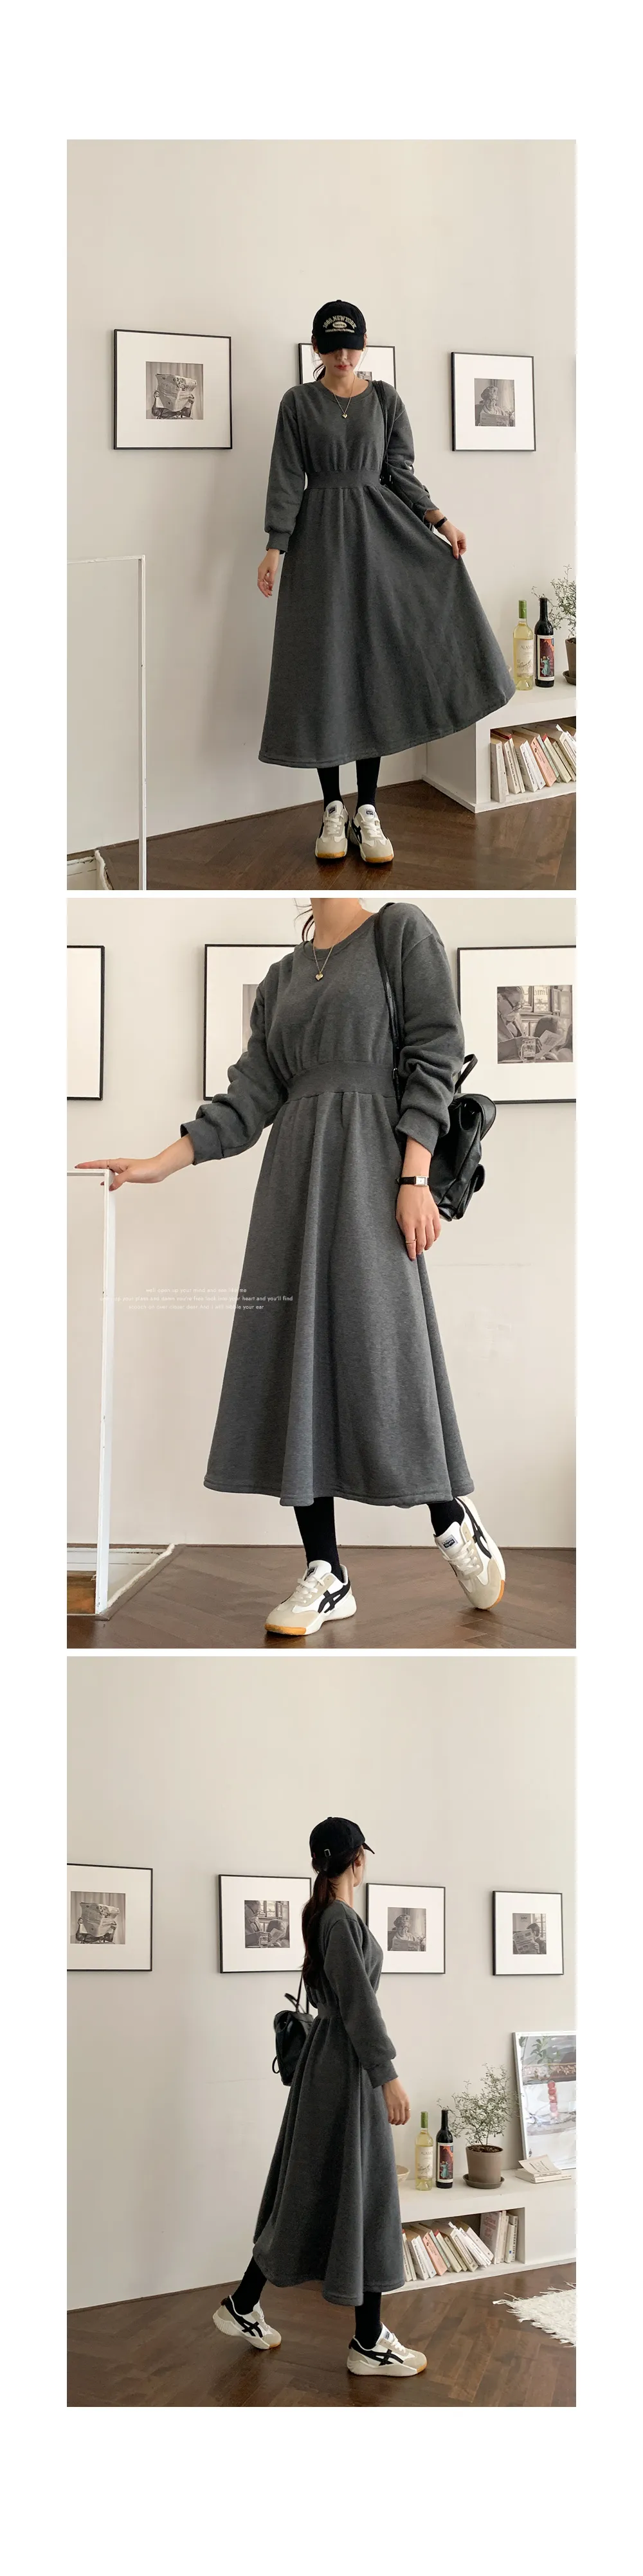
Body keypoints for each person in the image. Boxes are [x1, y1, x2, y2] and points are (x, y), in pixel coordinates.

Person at [78, 897, 505, 1634]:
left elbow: (435, 1051)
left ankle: (449, 1518)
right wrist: (158, 1164)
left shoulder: (399, 931)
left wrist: (413, 1177)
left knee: (383, 1353)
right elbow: (249, 1096)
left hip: (375, 1170)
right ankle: (325, 1571)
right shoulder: (281, 979)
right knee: (293, 1358)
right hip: (292, 1185)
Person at [257, 300, 513, 863]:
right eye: (331, 347)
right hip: (318, 547)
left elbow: (399, 473)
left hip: (379, 543)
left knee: (372, 667)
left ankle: (367, 809)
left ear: (364, 345)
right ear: (317, 347)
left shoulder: (386, 400)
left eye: (351, 346)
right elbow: (286, 476)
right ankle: (332, 808)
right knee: (325, 668)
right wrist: (276, 546)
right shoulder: (297, 403)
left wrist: (441, 522)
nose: (342, 357)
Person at [213, 1818, 427, 2379]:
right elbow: (359, 2004)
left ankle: (247, 2305)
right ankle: (367, 2341)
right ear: (358, 1860)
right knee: (364, 2194)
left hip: (332, 2068)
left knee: (316, 2192)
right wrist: (387, 2074)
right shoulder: (337, 1920)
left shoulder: (327, 1916)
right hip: (346, 2070)